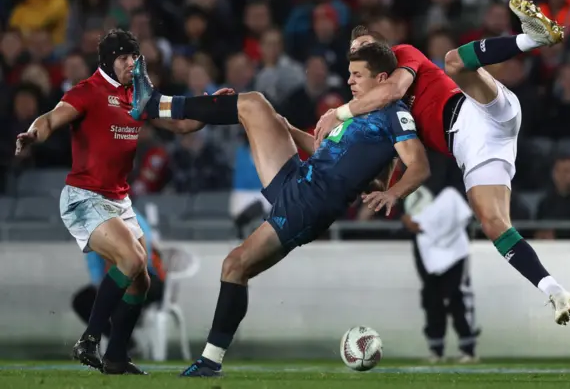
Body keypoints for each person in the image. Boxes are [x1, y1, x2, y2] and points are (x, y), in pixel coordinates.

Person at [130, 42, 430, 377]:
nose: (350, 82)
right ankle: (158, 106)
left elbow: (417, 166)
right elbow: (323, 152)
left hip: (310, 204)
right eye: (349, 74)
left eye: (358, 75)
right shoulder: (356, 111)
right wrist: (285, 129)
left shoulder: (394, 113)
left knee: (235, 266)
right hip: (300, 178)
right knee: (255, 104)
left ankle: (210, 361)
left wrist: (394, 193)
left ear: (383, 78)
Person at [314, 0, 570, 324]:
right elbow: (402, 160)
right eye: (355, 54)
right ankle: (555, 291)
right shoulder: (376, 113)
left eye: (367, 48)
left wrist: (338, 113)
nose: (360, 56)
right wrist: (385, 189)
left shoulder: (404, 56)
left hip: (477, 110)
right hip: (474, 150)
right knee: (494, 224)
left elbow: (393, 91)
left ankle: (533, 39)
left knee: (452, 61)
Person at [14, 29, 219, 374]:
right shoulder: (87, 91)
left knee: (142, 280)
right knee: (131, 258)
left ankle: (116, 357)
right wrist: (34, 133)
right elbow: (51, 118)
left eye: (134, 58)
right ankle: (90, 339)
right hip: (84, 196)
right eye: (124, 58)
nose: (131, 64)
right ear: (109, 61)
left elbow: (181, 125)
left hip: (118, 200)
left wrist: (214, 108)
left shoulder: (138, 96)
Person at [71, 210, 167, 356]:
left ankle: (119, 343)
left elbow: (142, 257)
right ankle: (125, 343)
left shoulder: (134, 218)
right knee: (82, 301)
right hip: (112, 278)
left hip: (145, 276)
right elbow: (95, 267)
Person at [403, 186, 479, 363]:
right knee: (432, 299)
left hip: (455, 254)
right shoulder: (414, 196)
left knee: (456, 299)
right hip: (430, 249)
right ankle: (436, 350)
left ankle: (468, 348)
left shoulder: (448, 199)